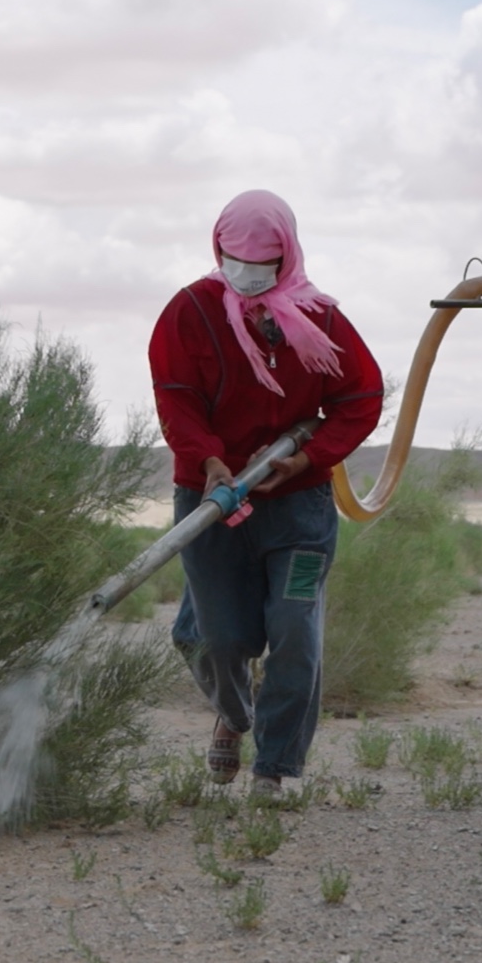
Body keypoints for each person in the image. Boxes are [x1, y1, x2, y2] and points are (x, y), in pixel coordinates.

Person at [148, 189, 383, 795]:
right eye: (236, 256)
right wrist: (208, 460)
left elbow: (360, 399)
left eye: (265, 259)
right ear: (217, 248)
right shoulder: (189, 312)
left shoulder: (320, 318)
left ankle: (276, 768)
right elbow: (175, 395)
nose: (248, 270)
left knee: (296, 633)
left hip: (298, 507)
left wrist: (308, 457)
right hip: (211, 500)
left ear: (289, 255)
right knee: (212, 639)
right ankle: (233, 713)